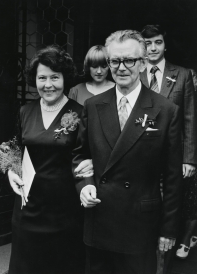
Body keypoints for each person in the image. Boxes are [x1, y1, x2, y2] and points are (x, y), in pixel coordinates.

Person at [72, 30, 183, 274]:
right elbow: (80, 155)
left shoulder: (166, 110)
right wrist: (85, 186)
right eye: (115, 61)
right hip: (99, 219)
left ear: (143, 63)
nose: (121, 67)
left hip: (140, 225)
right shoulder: (92, 105)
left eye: (129, 60)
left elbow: (173, 179)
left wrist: (168, 229)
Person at [7, 45, 93, 274]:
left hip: (65, 211)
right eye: (42, 78)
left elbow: (87, 155)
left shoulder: (80, 112)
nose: (48, 84)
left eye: (55, 77)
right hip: (28, 209)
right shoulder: (25, 111)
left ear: (65, 78)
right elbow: (14, 147)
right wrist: (11, 170)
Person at [140, 25, 197, 264]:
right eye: (148, 43)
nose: (153, 48)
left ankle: (161, 266)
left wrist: (189, 158)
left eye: (158, 42)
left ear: (165, 44)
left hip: (172, 157)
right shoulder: (134, 71)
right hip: (140, 156)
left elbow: (190, 117)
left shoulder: (182, 74)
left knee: (167, 215)